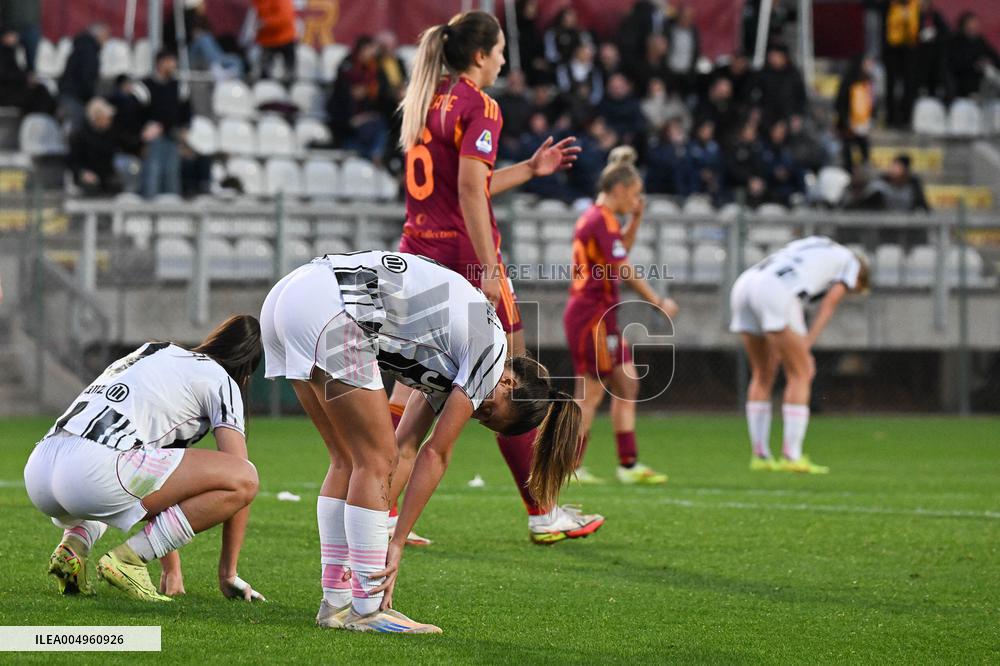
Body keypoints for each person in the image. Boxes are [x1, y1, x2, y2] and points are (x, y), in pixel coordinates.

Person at [260, 250, 583, 632]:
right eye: (489, 410)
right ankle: (367, 609)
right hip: (332, 308)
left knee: (348, 460)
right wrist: (394, 542)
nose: (477, 412)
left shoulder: (458, 352)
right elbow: (436, 453)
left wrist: (385, 534)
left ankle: (335, 603)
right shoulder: (491, 354)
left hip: (289, 298)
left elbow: (409, 447)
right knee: (373, 459)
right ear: (510, 382)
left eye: (484, 419)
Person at [393, 11, 593, 546]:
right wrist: (485, 269)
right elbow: (466, 193)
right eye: (501, 49)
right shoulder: (479, 105)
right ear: (481, 55)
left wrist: (529, 169)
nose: (504, 58)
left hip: (416, 253)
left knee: (414, 385)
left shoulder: (426, 99)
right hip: (465, 258)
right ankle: (542, 511)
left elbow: (463, 186)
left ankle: (382, 506)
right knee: (512, 378)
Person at [23, 316, 265, 602]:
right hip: (94, 473)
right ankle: (127, 560)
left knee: (122, 479)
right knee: (245, 478)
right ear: (246, 373)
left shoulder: (155, 349)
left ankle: (74, 545)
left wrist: (172, 569)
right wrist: (228, 574)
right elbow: (238, 472)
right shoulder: (222, 381)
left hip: (41, 466)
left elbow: (162, 476)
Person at [565, 148, 679, 485]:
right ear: (619, 189)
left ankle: (628, 465)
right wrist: (656, 300)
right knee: (591, 393)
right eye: (634, 193)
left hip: (602, 315)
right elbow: (622, 267)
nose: (636, 199)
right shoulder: (599, 219)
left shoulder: (604, 219)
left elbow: (619, 252)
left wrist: (637, 220)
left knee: (627, 381)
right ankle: (570, 465)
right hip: (591, 315)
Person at [730, 237, 869, 473]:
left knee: (763, 373)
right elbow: (829, 304)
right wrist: (807, 344)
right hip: (776, 289)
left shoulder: (818, 243)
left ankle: (760, 455)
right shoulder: (851, 262)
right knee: (802, 372)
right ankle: (792, 456)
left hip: (746, 284)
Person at [140, 51, 192, 198]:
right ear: (160, 63)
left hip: (172, 136)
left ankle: (172, 214)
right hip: (153, 138)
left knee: (172, 174)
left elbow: (186, 113)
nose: (173, 65)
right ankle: (148, 210)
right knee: (153, 173)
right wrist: (144, 131)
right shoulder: (146, 85)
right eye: (170, 61)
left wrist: (184, 129)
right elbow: (137, 112)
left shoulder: (179, 87)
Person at [57, 23, 109, 131]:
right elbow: (87, 78)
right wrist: (91, 98)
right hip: (75, 98)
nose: (107, 40)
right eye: (106, 36)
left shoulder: (81, 47)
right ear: (99, 35)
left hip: (67, 94)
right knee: (76, 130)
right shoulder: (89, 53)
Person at [836, 55, 876, 171]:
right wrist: (847, 121)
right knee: (847, 152)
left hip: (863, 124)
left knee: (864, 153)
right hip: (848, 125)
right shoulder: (848, 81)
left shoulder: (867, 81)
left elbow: (872, 102)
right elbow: (840, 103)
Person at [883, 0, 920, 127]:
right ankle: (890, 118)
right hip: (892, 49)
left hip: (910, 49)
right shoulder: (889, 5)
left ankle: (906, 118)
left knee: (909, 84)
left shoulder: (916, 5)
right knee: (891, 84)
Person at [948, 12, 1000, 99]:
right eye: (971, 24)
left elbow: (995, 57)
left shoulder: (980, 41)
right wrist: (975, 64)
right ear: (963, 26)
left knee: (992, 72)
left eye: (975, 24)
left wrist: (988, 62)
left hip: (982, 87)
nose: (974, 27)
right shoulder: (955, 42)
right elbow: (956, 64)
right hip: (962, 88)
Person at [253, 0, 296, 79]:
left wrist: (265, 23)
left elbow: (285, 17)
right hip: (266, 41)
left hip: (285, 38)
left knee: (289, 75)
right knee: (263, 75)